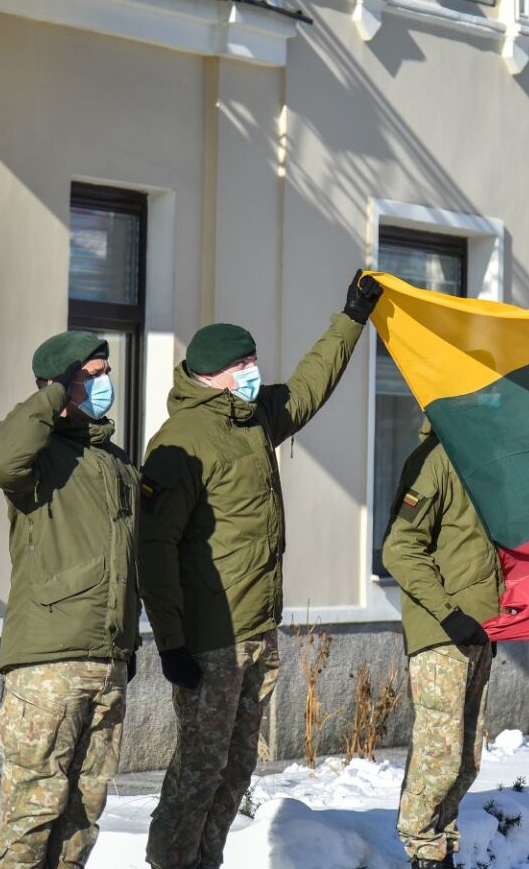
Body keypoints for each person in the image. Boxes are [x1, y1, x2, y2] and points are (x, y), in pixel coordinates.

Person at [139, 271, 381, 869]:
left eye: (254, 361)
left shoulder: (253, 418)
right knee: (199, 767)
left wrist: (351, 319)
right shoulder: (182, 442)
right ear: (211, 375)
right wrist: (172, 643)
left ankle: (204, 861)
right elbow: (153, 550)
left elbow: (307, 386)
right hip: (210, 641)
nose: (253, 372)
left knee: (237, 765)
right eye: (243, 364)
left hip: (256, 631)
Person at [0, 331, 140, 869]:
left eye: (104, 372)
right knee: (33, 810)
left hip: (107, 658)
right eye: (88, 376)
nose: (103, 383)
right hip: (48, 663)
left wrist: (129, 646)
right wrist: (54, 396)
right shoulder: (40, 458)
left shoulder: (113, 461)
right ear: (59, 385)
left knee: (82, 816)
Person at [381, 419, 503, 869]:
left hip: (479, 631)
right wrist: (450, 614)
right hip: (443, 631)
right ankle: (423, 848)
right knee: (440, 751)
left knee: (467, 756)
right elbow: (398, 548)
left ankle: (442, 844)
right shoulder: (435, 460)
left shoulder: (482, 461)